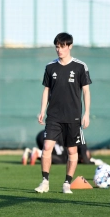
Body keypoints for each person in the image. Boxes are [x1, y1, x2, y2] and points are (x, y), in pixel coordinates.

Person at [34, 32, 92, 194]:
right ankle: (45, 181)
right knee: (47, 147)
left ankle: (67, 183)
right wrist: (42, 110)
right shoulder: (50, 67)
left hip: (73, 116)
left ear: (70, 46)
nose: (59, 50)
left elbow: (86, 91)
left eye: (62, 46)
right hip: (54, 115)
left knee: (72, 151)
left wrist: (86, 113)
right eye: (57, 47)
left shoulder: (80, 66)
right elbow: (46, 90)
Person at [22, 130, 103, 165]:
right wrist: (95, 162)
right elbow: (86, 160)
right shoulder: (81, 143)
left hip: (43, 134)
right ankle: (38, 153)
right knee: (62, 160)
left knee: (53, 157)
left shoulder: (71, 151)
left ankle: (30, 153)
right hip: (51, 136)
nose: (83, 158)